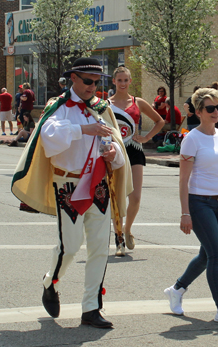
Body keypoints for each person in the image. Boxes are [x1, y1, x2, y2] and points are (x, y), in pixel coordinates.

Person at [11, 57, 132, 328]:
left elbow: (116, 145)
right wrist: (83, 129)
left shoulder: (102, 109)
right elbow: (49, 138)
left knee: (100, 247)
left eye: (96, 82)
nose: (92, 87)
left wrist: (113, 153)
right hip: (68, 185)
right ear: (73, 78)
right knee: (71, 246)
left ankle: (91, 308)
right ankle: (49, 281)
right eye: (87, 81)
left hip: (98, 184)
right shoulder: (59, 106)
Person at [164, 87, 218, 324]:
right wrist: (185, 213)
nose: (216, 112)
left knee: (206, 256)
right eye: (210, 108)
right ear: (199, 111)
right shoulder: (191, 139)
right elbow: (183, 180)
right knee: (216, 255)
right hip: (200, 204)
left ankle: (176, 289)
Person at [108, 66, 165, 256]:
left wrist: (147, 137)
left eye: (126, 80)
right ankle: (118, 239)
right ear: (114, 81)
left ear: (130, 81)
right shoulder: (105, 104)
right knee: (116, 196)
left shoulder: (137, 102)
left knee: (136, 196)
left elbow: (160, 121)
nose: (123, 83)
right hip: (115, 151)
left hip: (134, 150)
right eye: (119, 80)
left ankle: (127, 228)